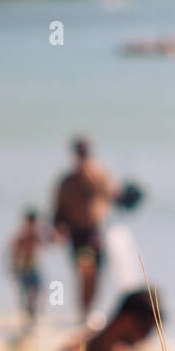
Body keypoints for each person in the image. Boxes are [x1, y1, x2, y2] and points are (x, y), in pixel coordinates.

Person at [52, 136, 119, 322]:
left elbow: (114, 196)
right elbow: (58, 209)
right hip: (78, 233)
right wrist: (57, 230)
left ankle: (88, 312)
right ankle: (84, 313)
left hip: (96, 232)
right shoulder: (68, 181)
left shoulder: (100, 175)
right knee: (85, 274)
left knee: (96, 275)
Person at [7, 208, 44, 336]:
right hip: (25, 270)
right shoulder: (23, 237)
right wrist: (14, 267)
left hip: (33, 269)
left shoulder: (35, 235)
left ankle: (30, 321)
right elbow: (15, 252)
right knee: (27, 296)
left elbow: (45, 245)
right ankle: (27, 322)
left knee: (34, 296)